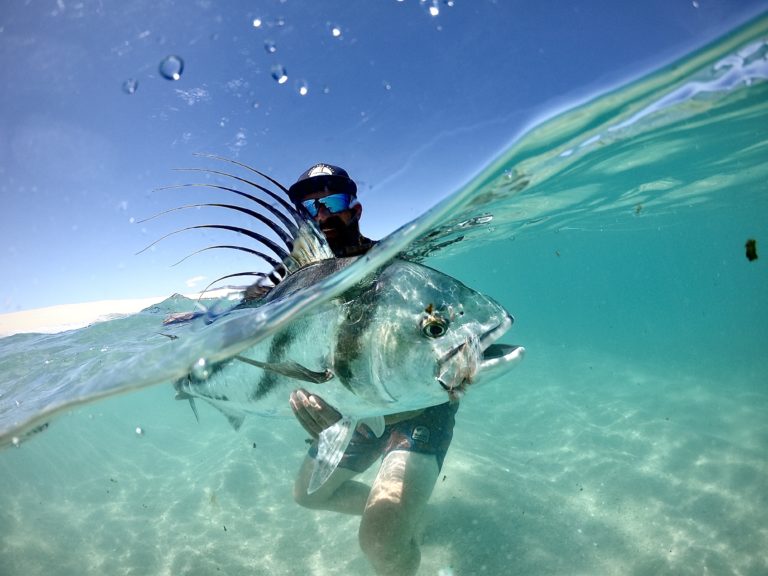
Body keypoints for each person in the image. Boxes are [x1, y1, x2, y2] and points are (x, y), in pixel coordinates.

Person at [286, 163, 459, 576]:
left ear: (356, 209)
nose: (322, 214)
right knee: (308, 496)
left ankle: (393, 526)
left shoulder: (395, 264)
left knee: (379, 543)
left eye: (333, 201)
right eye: (309, 207)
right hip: (353, 415)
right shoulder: (290, 283)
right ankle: (405, 517)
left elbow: (442, 326)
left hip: (418, 411)